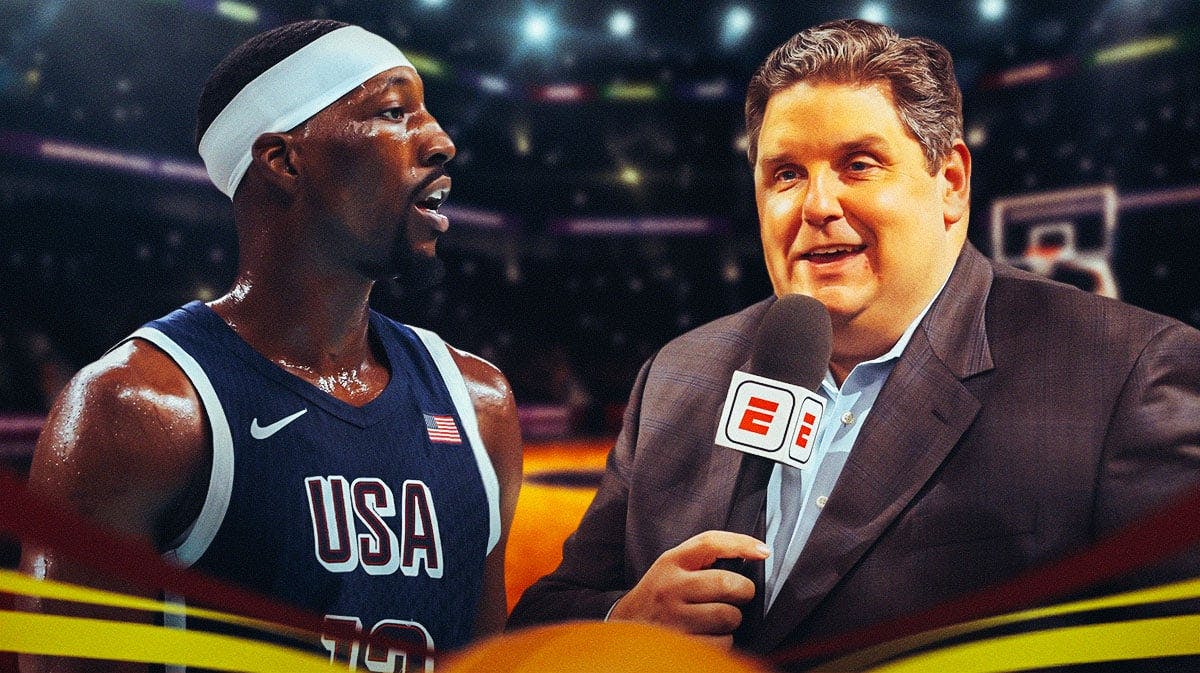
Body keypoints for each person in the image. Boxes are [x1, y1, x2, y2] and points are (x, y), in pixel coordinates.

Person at [508, 17, 1200, 662]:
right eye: (786, 173)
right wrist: (622, 626)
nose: (816, 206)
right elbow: (539, 620)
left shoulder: (1125, 377)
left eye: (858, 164)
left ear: (951, 181)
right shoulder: (677, 375)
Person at [19, 19, 522, 671]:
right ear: (284, 161)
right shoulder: (138, 410)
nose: (442, 142)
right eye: (395, 112)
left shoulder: (479, 403)